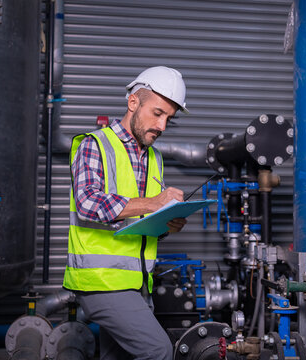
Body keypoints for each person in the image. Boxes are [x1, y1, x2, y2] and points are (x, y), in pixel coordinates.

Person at [63, 66, 189, 359]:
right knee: (159, 351)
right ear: (133, 102)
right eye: (157, 113)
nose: (162, 126)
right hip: (102, 283)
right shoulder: (95, 145)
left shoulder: (154, 157)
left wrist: (166, 223)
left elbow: (139, 221)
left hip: (138, 283)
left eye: (169, 118)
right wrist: (154, 203)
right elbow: (88, 204)